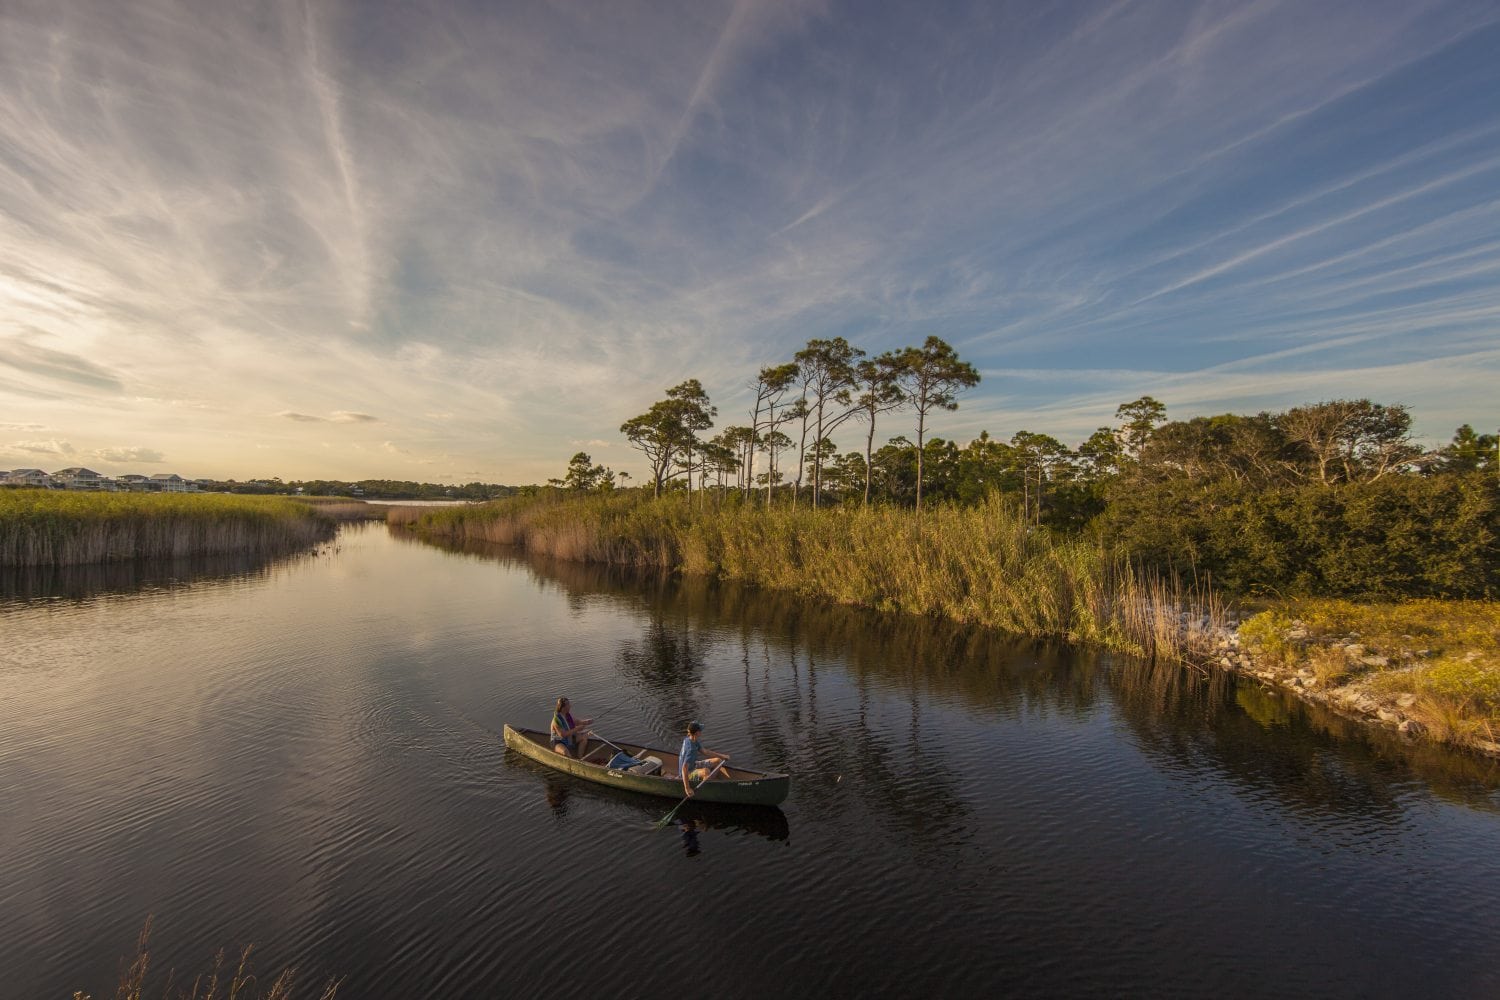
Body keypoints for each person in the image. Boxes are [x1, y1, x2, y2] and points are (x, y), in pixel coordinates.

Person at [679, 720, 728, 797]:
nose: (701, 731)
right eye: (700, 730)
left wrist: (722, 756)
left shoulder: (692, 739)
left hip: (694, 764)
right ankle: (709, 791)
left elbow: (705, 752)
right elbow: (684, 769)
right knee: (706, 771)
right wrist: (687, 789)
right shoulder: (690, 749)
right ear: (696, 733)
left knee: (718, 761)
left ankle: (710, 781)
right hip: (688, 773)